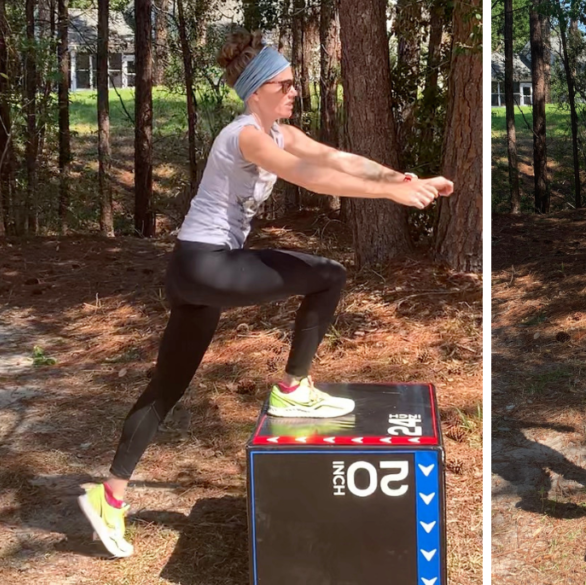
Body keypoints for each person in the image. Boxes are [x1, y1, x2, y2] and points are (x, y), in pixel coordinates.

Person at [78, 30, 454, 556]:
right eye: (285, 84)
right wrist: (391, 194)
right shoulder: (245, 135)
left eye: (294, 83)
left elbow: (337, 159)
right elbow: (310, 178)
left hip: (194, 274)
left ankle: (109, 495)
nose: (294, 91)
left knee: (167, 387)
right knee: (329, 274)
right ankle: (294, 387)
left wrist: (402, 175)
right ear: (257, 91)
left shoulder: (277, 130)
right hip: (207, 265)